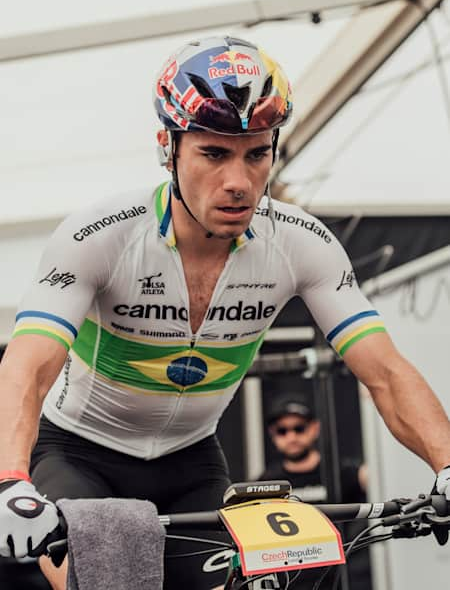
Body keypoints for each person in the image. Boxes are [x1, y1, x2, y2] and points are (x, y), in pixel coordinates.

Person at [0, 34, 450, 590]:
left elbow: (384, 371)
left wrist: (446, 464)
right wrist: (11, 481)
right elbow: (28, 364)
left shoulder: (302, 242)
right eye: (213, 153)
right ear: (169, 147)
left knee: (295, 567)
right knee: (111, 576)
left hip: (193, 462)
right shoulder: (100, 234)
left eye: (256, 153)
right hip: (80, 456)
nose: (238, 182)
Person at [259, 397, 370, 589]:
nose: (291, 437)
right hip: (289, 582)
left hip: (341, 580)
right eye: (282, 430)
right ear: (273, 434)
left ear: (314, 428)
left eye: (299, 428)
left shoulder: (342, 472)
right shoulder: (265, 484)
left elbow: (381, 478)